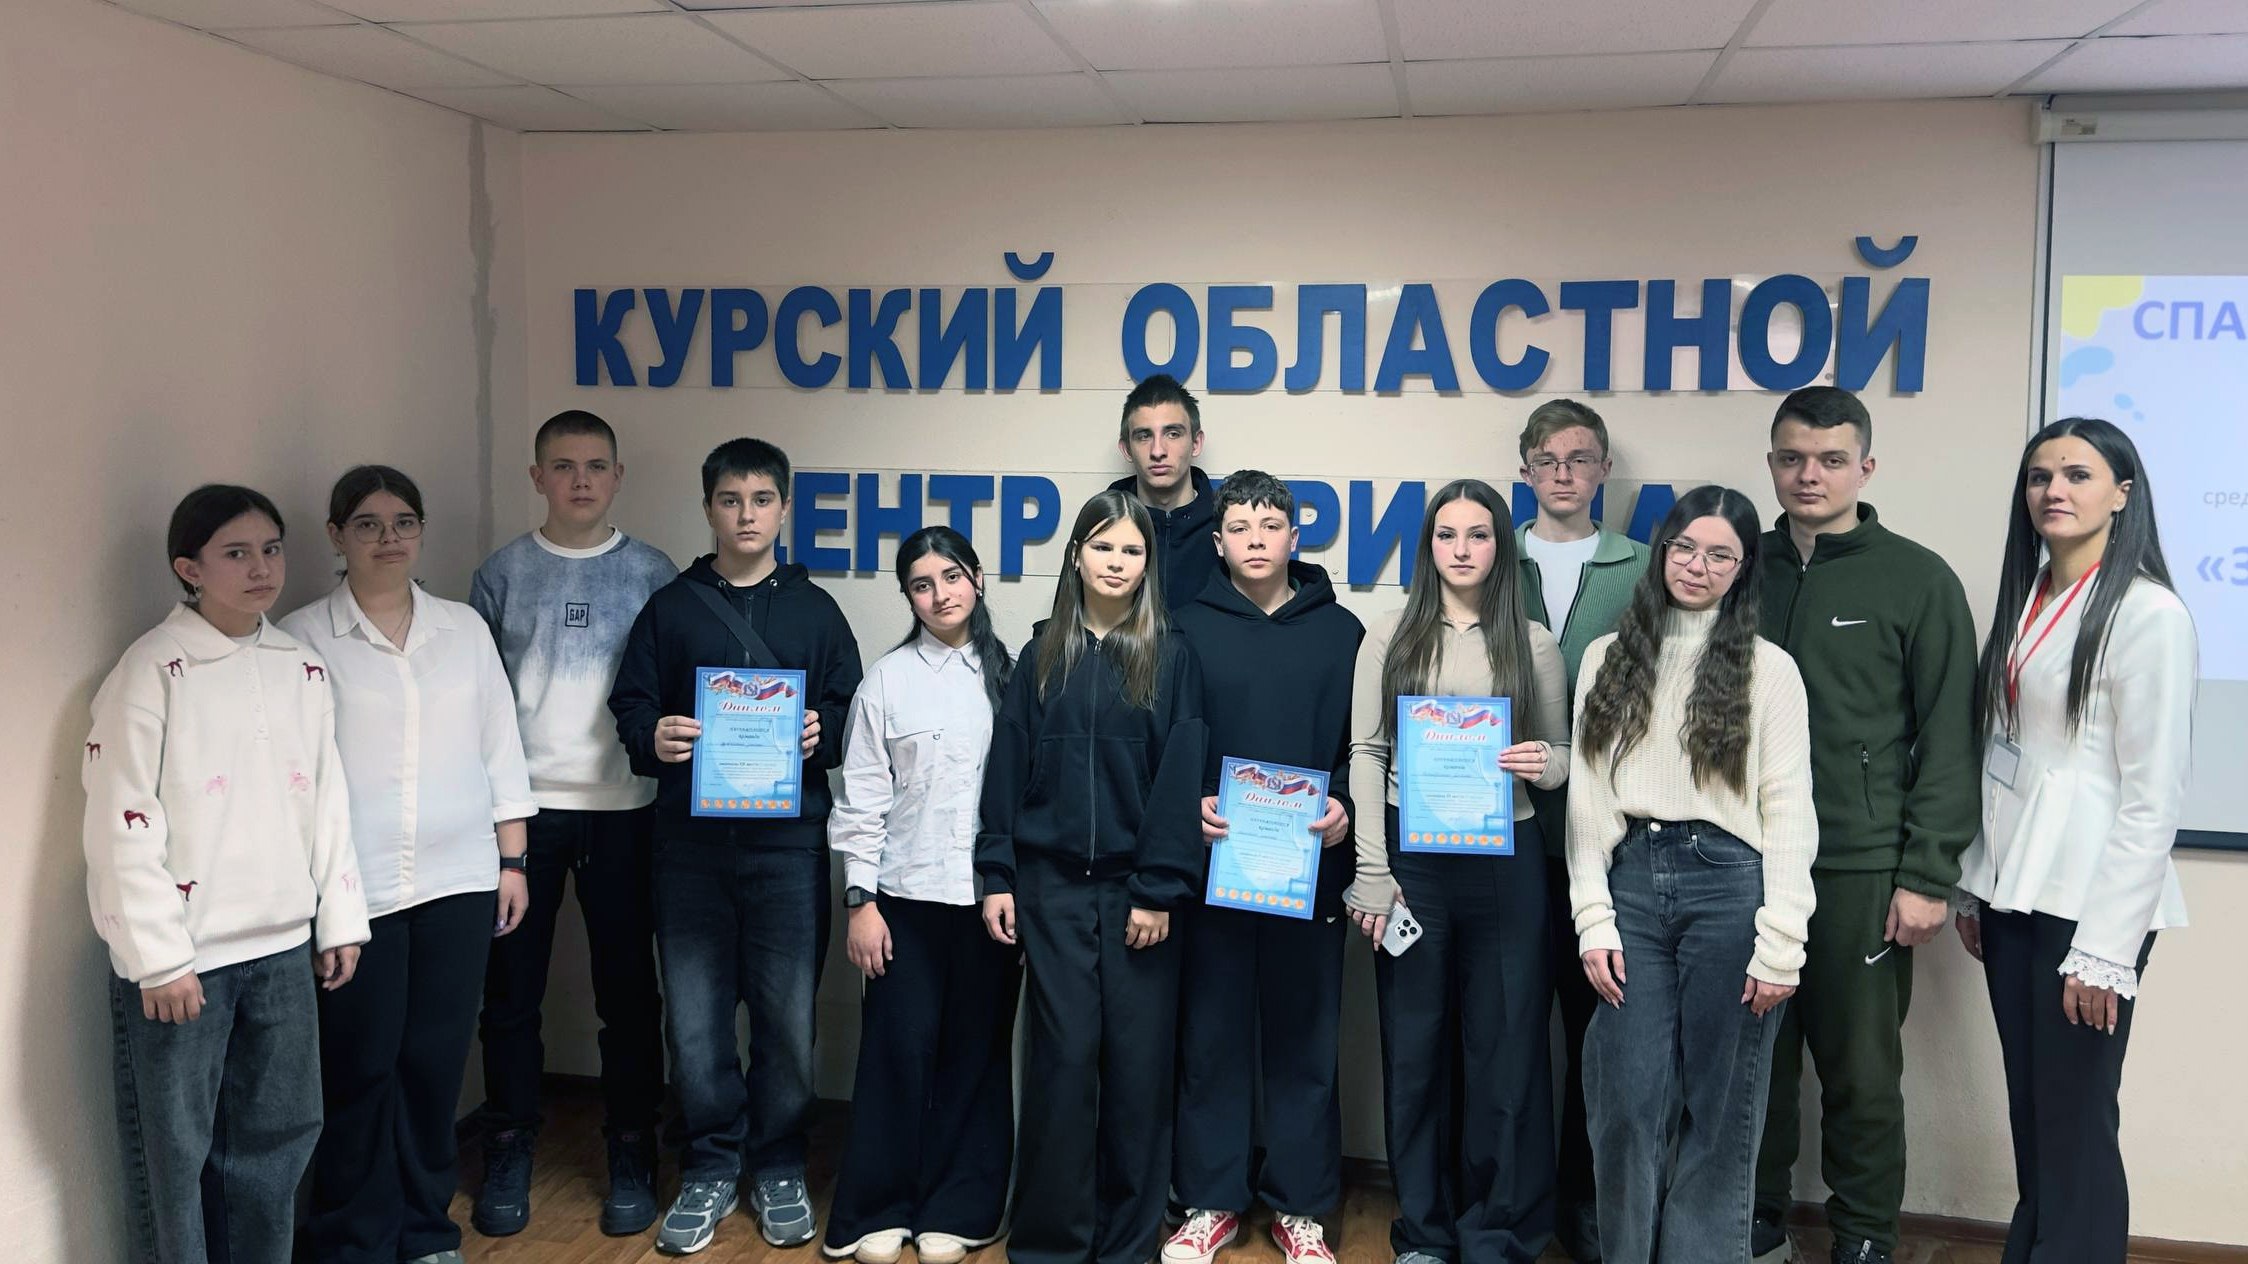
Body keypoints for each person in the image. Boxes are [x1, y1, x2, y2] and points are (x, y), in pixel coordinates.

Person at [85, 484, 370, 1264]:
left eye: (271, 550)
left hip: (282, 949)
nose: (261, 569)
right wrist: (158, 957)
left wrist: (339, 920)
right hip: (187, 963)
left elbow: (327, 798)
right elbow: (119, 819)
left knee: (277, 1145)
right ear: (190, 568)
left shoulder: (299, 666)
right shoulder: (151, 670)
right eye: (236, 553)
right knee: (175, 1160)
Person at [609, 437, 863, 1257]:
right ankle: (711, 1164)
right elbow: (631, 707)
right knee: (695, 1021)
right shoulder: (671, 608)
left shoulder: (817, 611)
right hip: (688, 849)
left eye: (760, 500)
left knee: (788, 1019)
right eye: (730, 500)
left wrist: (823, 732)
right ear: (708, 508)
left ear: (784, 509)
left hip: (788, 849)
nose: (746, 515)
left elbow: (850, 711)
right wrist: (655, 736)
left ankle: (780, 1162)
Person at [1953, 418, 2195, 1263]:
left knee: (2077, 1118)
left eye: (2077, 475)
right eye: (2039, 476)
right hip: (2014, 891)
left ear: (2122, 495)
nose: (2053, 490)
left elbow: (2152, 800)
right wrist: (1975, 883)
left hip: (2090, 904)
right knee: (2035, 1113)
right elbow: (2008, 760)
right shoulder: (2030, 599)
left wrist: (2105, 951)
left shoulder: (2149, 613)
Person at [282, 465, 537, 1264]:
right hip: (354, 892)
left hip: (460, 880)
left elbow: (500, 746)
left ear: (421, 532)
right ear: (337, 536)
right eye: (367, 524)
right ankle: (352, 1237)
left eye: (403, 523)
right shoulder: (301, 639)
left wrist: (513, 861)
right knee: (359, 1068)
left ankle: (427, 1228)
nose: (387, 538)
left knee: (433, 1064)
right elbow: (295, 775)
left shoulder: (462, 629)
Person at [1752, 387, 1978, 1264]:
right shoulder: (1736, 565)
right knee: (1753, 1065)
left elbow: (1950, 736)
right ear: (1772, 464)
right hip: (1742, 862)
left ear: (1866, 467)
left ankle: (1865, 1238)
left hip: (1860, 868)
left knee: (1862, 1073)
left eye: (1831, 460)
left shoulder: (1917, 579)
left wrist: (1926, 874)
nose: (1809, 475)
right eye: (1792, 458)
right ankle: (1755, 1224)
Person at [1567, 485, 1818, 1264]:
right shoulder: (1606, 659)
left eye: (1719, 555)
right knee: (1625, 1100)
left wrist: (1782, 942)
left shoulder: (1769, 671)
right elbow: (1587, 800)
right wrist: (1592, 918)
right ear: (1662, 552)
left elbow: (1789, 810)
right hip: (1631, 885)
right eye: (1684, 548)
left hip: (1731, 888)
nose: (1697, 566)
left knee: (1721, 1110)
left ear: (1742, 570)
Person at [1342, 478, 1570, 1264]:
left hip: (1507, 865)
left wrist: (1542, 764)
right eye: (1447, 535)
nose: (1462, 549)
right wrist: (1373, 871)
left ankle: (1496, 1231)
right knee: (1416, 1048)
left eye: (1478, 535)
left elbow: (1564, 758)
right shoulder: (1391, 634)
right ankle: (1424, 1232)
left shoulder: (1533, 642)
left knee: (1506, 1051)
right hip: (1413, 867)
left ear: (1501, 547)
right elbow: (1366, 752)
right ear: (1428, 545)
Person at [978, 489, 1208, 1264]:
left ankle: (1126, 1245)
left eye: (1132, 550)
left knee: (1138, 1074)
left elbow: (1179, 778)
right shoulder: (1042, 654)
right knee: (1064, 1066)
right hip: (1051, 892)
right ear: (1077, 555)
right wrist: (997, 872)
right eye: (1103, 546)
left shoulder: (1170, 657)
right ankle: (1051, 1244)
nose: (1116, 562)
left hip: (1139, 896)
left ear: (1149, 564)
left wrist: (1159, 887)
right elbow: (1006, 771)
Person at [469, 409, 678, 1237]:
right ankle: (509, 1144)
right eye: (563, 466)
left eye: (595, 466)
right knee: (510, 994)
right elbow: (480, 709)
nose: (580, 480)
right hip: (524, 819)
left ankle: (632, 1145)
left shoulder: (653, 573)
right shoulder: (502, 574)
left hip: (625, 811)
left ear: (618, 476)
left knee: (627, 993)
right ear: (537, 477)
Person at [1164, 471, 1363, 1264]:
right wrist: (1190, 803)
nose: (1255, 539)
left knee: (1304, 1041)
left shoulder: (1342, 632)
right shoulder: (1184, 628)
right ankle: (1209, 1200)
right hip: (1216, 869)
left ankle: (1300, 1206)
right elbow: (1166, 740)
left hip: (1309, 871)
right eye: (1240, 527)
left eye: (1270, 525)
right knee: (1209, 1037)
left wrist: (1344, 801)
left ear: (1294, 538)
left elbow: (1364, 745)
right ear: (1218, 543)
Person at [823, 527, 1022, 1264]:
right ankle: (878, 1209)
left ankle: (961, 1209)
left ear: (978, 578)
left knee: (976, 1056)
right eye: (921, 584)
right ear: (907, 596)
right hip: (899, 900)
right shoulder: (887, 681)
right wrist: (860, 902)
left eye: (952, 576)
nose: (941, 595)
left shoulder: (1013, 677)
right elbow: (862, 800)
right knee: (895, 1053)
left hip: (989, 901)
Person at [1511, 399, 1649, 1264]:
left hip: (1607, 840)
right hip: (1507, 835)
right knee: (1513, 1028)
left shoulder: (1642, 566)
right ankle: (1518, 1201)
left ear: (1603, 470)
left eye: (1580, 459)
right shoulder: (1491, 556)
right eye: (1548, 460)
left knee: (1599, 1031)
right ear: (1524, 469)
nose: (1564, 473)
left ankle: (1588, 1202)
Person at [1110, 373, 1218, 611]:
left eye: (1173, 434)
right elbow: (1068, 619)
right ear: (1126, 449)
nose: (1158, 451)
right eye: (1144, 436)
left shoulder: (1226, 527)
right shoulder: (1101, 527)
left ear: (1196, 443)